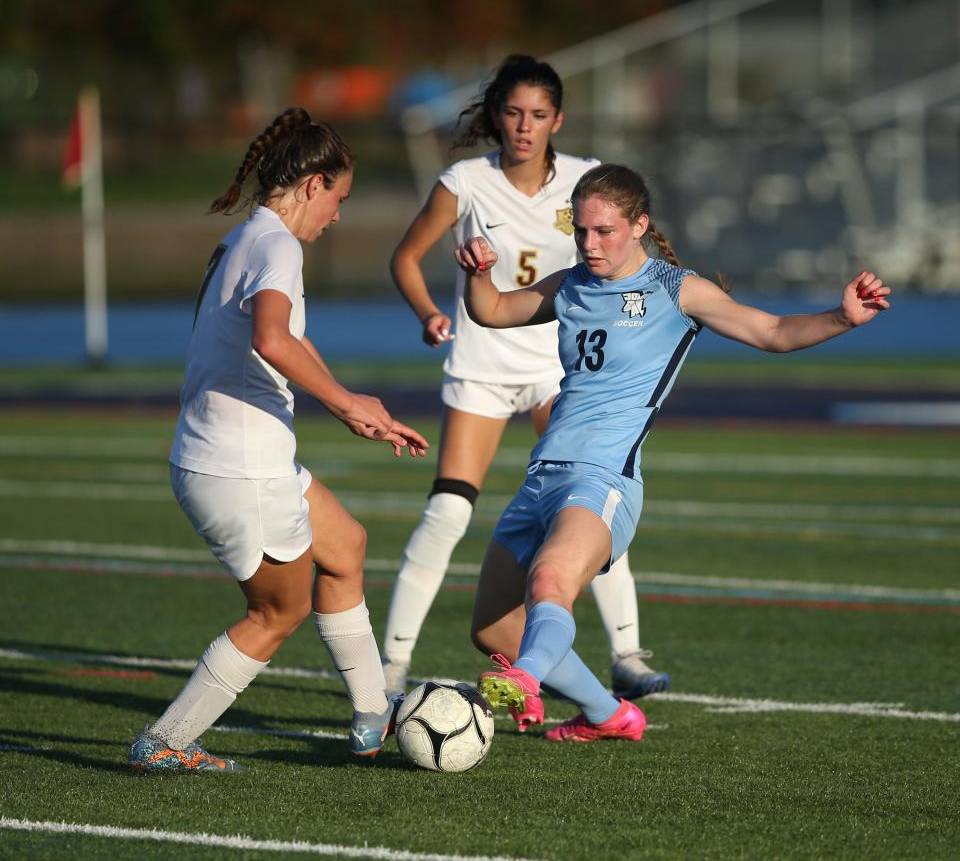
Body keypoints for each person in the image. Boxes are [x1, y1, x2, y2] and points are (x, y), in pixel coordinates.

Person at [458, 162, 890, 741]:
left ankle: (529, 680)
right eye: (580, 231)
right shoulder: (570, 284)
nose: (589, 244)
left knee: (549, 585)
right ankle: (610, 715)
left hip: (605, 478)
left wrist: (842, 317)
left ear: (639, 225)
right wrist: (478, 273)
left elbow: (772, 333)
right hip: (542, 476)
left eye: (603, 231)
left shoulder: (675, 288)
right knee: (491, 629)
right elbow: (490, 310)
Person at [127, 108, 429, 773]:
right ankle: (166, 740)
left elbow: (284, 336)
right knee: (276, 611)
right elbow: (271, 337)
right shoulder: (278, 244)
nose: (339, 216)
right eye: (340, 199)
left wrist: (355, 408)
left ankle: (371, 709)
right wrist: (347, 401)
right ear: (314, 183)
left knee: (345, 546)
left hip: (243, 455)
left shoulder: (247, 238)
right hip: (238, 465)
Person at [380, 55, 667, 701]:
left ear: (558, 119)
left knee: (585, 505)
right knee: (449, 510)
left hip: (558, 371)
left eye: (539, 114)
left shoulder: (584, 180)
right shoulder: (465, 181)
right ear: (495, 117)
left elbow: (630, 257)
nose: (524, 125)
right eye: (512, 112)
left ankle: (626, 654)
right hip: (481, 366)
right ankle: (392, 664)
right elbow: (404, 256)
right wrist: (429, 312)